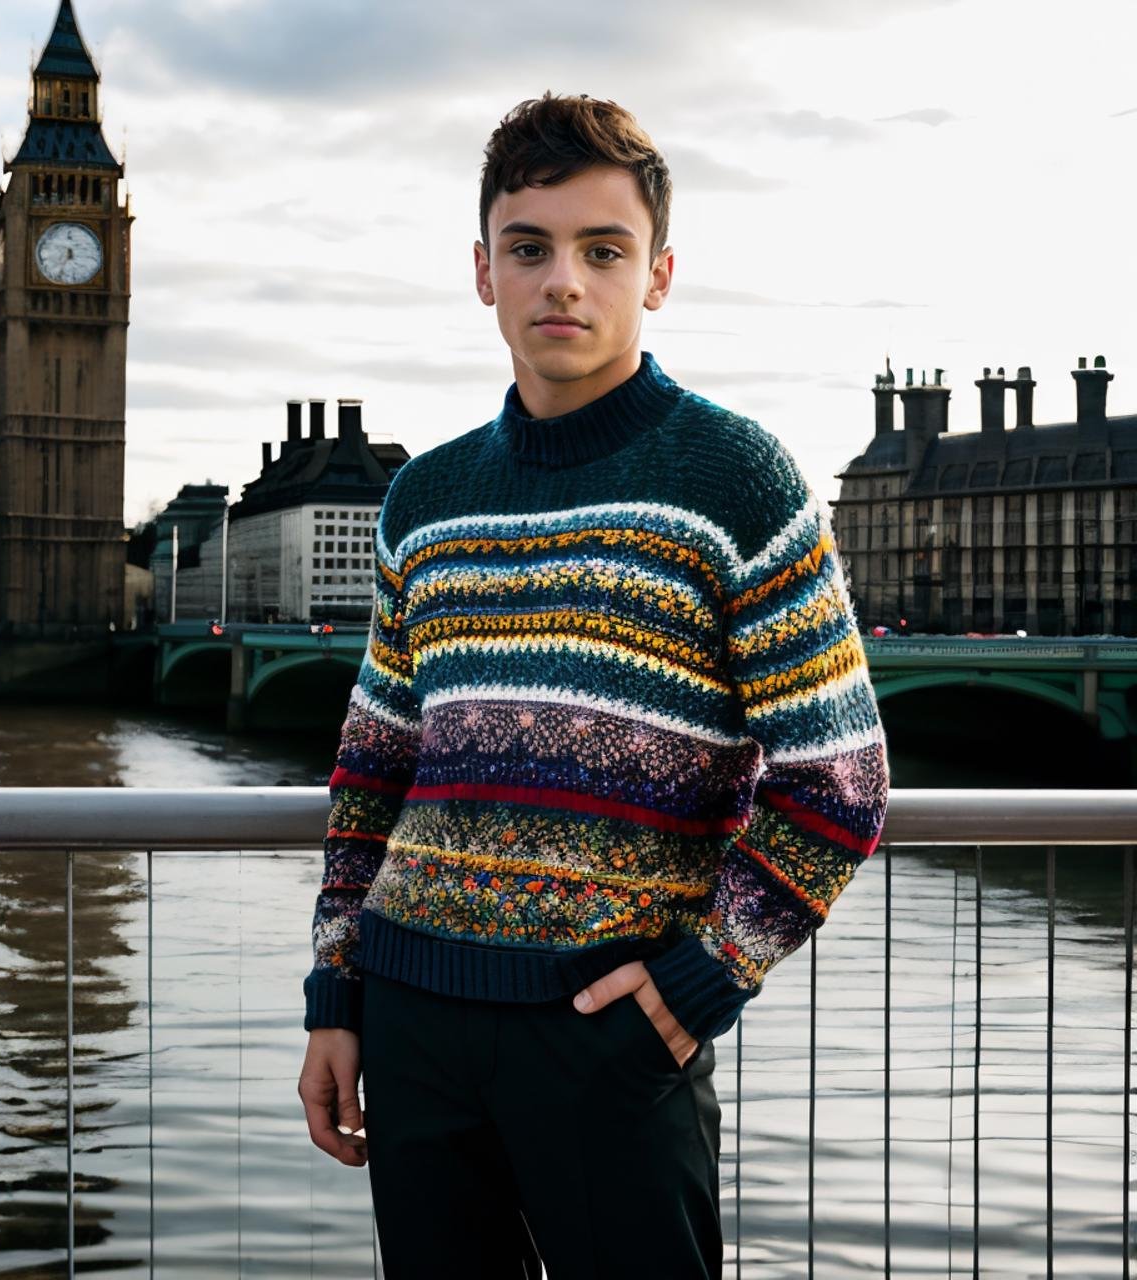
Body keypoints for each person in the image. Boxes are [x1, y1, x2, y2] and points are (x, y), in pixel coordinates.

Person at [296, 92, 890, 1278]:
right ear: (483, 272)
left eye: (601, 250)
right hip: (410, 1014)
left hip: (610, 1027)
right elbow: (372, 771)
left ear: (655, 275)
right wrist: (334, 988)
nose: (562, 280)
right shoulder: (425, 498)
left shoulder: (733, 475)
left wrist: (699, 982)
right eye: (529, 248)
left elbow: (840, 779)